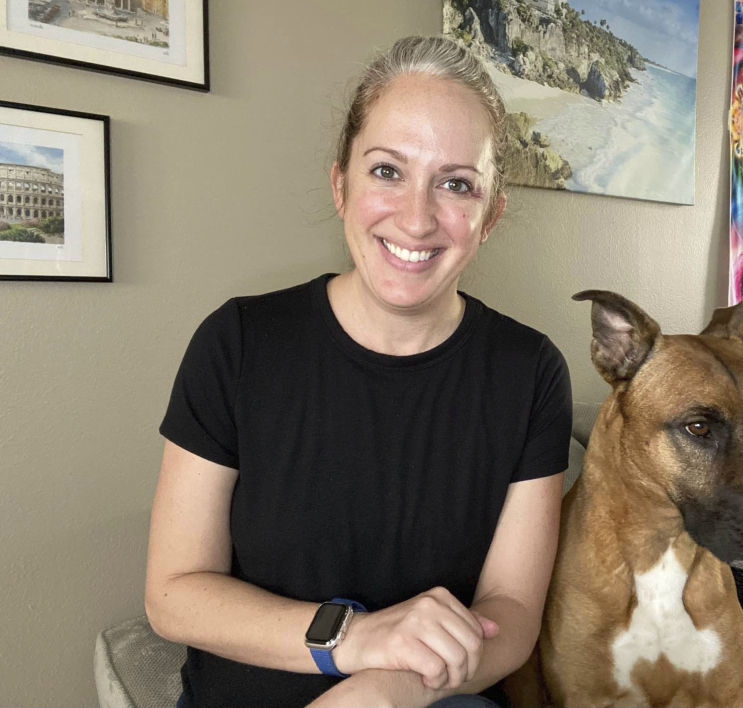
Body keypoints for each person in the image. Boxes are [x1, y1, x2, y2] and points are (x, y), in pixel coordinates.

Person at [145, 35, 572, 708]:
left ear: (489, 215)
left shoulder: (529, 372)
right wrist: (354, 638)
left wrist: (386, 691)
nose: (416, 216)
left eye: (456, 184)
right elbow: (173, 593)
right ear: (340, 184)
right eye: (387, 171)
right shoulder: (240, 341)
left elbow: (510, 615)